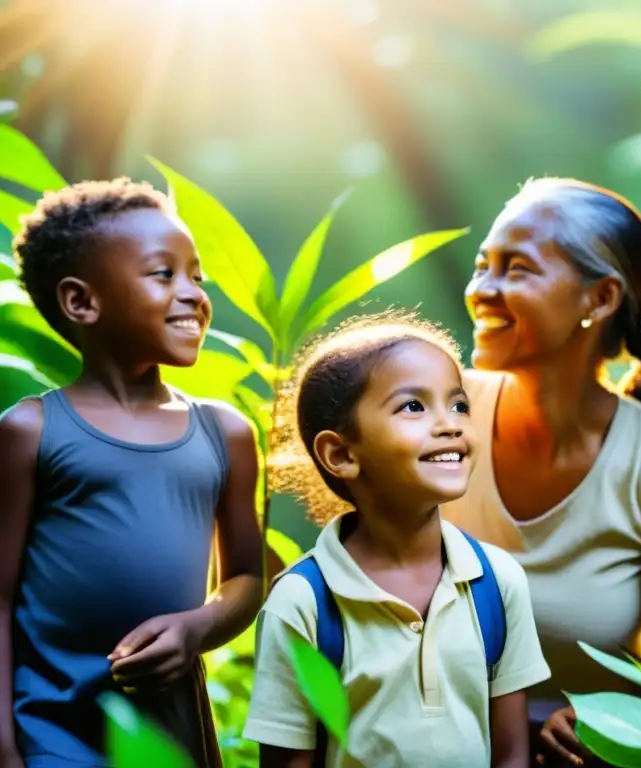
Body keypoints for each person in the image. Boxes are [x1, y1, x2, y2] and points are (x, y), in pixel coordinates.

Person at [439, 178, 641, 766]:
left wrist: (609, 721)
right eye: (482, 266)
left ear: (599, 299)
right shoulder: (438, 414)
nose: (481, 290)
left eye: (515, 268)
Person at [0, 179, 264, 768]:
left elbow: (246, 578)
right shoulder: (29, 432)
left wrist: (197, 628)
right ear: (82, 303)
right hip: (52, 734)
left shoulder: (226, 434)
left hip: (173, 738)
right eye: (163, 274)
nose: (193, 293)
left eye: (197, 275)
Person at [243, 312, 551, 768]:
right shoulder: (304, 603)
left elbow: (511, 756)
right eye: (413, 406)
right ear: (342, 454)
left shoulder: (497, 583)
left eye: (459, 405)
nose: (450, 424)